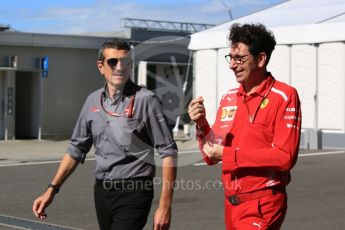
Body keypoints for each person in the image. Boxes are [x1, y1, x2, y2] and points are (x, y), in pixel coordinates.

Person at [33, 39, 177, 230]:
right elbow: (76, 149)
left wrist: (164, 206)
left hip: (134, 191)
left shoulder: (146, 101)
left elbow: (169, 153)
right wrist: (51, 190)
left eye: (125, 62)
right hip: (102, 191)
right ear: (101, 66)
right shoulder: (92, 101)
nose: (120, 67)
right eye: (113, 62)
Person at [188, 23, 301, 229]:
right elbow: (210, 155)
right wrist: (201, 124)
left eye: (239, 58)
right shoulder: (229, 98)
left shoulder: (285, 96)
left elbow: (285, 157)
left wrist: (228, 154)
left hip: (262, 203)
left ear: (261, 59)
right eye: (231, 58)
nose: (232, 65)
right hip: (231, 204)